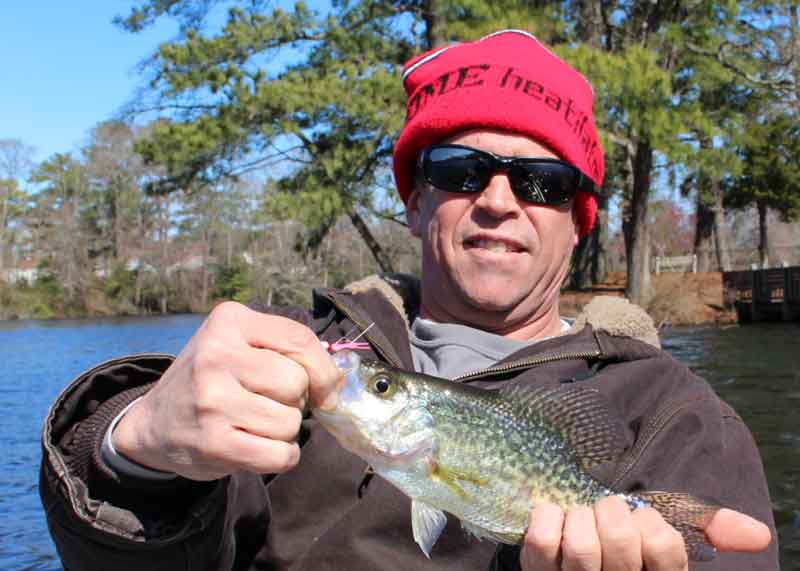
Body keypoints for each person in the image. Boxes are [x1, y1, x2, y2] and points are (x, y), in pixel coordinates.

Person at [40, 30, 777, 570]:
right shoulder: (300, 355)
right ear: (416, 202)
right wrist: (132, 449)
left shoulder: (675, 412)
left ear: (578, 222)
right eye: (462, 170)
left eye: (542, 183)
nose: (498, 200)